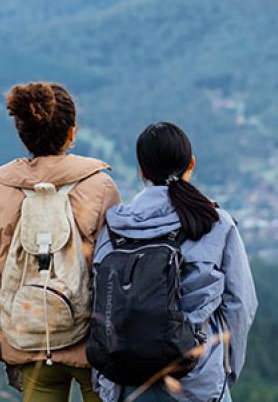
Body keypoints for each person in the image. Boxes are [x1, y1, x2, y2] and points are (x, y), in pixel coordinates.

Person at [94, 122, 257, 402]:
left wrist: (104, 380)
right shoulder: (215, 224)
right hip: (198, 377)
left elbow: (97, 298)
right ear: (191, 163)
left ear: (142, 171)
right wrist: (225, 370)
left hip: (128, 381)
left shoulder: (114, 226)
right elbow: (240, 305)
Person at [0, 82, 121, 402]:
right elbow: (112, 268)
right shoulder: (100, 186)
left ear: (22, 133)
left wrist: (2, 337)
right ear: (71, 133)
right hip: (89, 342)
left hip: (26, 336)